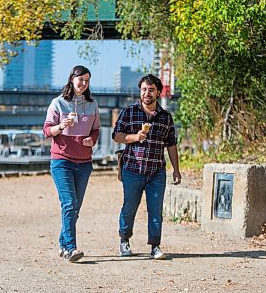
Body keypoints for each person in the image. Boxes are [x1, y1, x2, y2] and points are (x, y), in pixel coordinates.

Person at [112, 74, 181, 260]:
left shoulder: (165, 117)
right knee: (129, 207)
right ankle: (124, 240)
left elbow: (171, 144)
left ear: (158, 92)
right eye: (144, 89)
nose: (147, 93)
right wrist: (135, 137)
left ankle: (155, 246)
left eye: (151, 90)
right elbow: (116, 135)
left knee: (155, 209)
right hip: (132, 169)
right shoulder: (129, 112)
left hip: (156, 171)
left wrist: (176, 169)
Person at [43, 65, 100, 262]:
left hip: (84, 162)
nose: (83, 83)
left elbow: (96, 130)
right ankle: (70, 248)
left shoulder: (92, 104)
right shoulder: (57, 103)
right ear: (72, 79)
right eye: (80, 79)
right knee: (68, 203)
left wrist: (91, 140)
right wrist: (61, 126)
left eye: (87, 80)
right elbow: (47, 131)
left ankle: (62, 242)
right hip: (62, 161)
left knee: (75, 207)